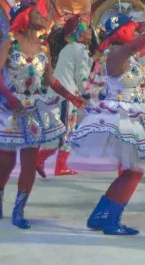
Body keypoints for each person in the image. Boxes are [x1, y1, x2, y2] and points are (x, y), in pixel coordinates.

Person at [0, 0, 85, 229]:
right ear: (24, 15)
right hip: (6, 108)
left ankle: (19, 210)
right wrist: (10, 98)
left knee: (29, 162)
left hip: (32, 109)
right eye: (37, 12)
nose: (42, 16)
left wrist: (70, 96)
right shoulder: (10, 41)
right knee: (5, 163)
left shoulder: (44, 46)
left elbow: (49, 79)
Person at [71, 15, 145, 235]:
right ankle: (110, 219)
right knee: (135, 170)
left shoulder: (125, 56)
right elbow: (132, 47)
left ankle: (100, 216)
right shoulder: (115, 53)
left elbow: (138, 51)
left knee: (132, 171)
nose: (135, 33)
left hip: (131, 115)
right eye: (131, 30)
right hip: (122, 116)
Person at [37, 15, 93, 177]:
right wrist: (87, 95)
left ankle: (59, 164)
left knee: (64, 130)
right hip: (67, 96)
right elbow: (81, 77)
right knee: (66, 131)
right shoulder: (80, 50)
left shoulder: (69, 48)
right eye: (87, 28)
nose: (90, 30)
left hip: (59, 94)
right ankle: (42, 159)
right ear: (80, 32)